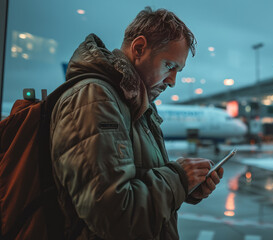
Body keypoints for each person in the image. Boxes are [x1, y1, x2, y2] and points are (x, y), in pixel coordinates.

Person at [50, 7, 223, 240]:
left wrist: (187, 186)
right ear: (139, 48)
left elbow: (137, 179)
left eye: (178, 71)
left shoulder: (134, 103)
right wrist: (179, 177)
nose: (172, 81)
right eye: (169, 66)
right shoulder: (95, 99)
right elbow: (115, 217)